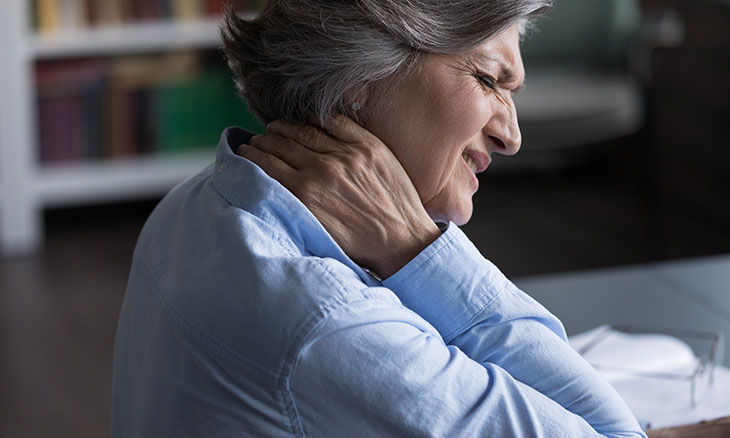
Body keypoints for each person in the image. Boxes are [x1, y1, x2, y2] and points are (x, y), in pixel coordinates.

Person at [111, 1, 726, 437]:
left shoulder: (198, 202)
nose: (512, 135)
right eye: (488, 79)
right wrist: (417, 250)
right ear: (361, 77)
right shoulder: (327, 326)